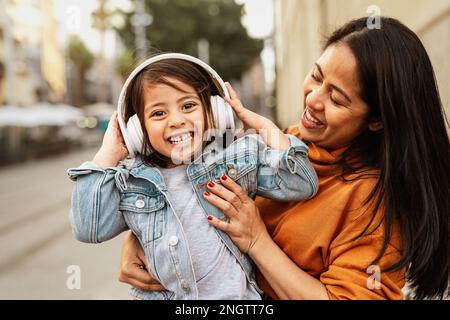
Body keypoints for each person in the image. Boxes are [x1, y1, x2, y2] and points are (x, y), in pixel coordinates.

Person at [118, 17, 450, 300]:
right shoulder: (283, 145)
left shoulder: (372, 202)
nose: (314, 99)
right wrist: (144, 238)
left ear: (376, 119)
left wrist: (257, 241)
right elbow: (189, 195)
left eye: (337, 98)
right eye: (317, 77)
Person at [67, 54, 319, 300]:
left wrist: (265, 127)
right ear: (137, 130)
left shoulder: (236, 159)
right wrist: (106, 156)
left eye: (188, 106)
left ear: (216, 111)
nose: (176, 120)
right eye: (158, 113)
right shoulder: (132, 182)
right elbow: (88, 228)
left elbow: (302, 183)